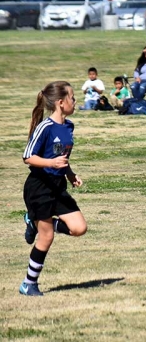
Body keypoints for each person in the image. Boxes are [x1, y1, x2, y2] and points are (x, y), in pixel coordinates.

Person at [20, 81, 88, 296]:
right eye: (73, 98)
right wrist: (51, 164)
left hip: (57, 186)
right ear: (61, 102)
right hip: (39, 187)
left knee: (79, 228)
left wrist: (70, 174)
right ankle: (28, 284)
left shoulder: (68, 127)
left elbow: (61, 156)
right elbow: (28, 157)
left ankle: (33, 221)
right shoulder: (45, 127)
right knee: (46, 237)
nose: (75, 102)